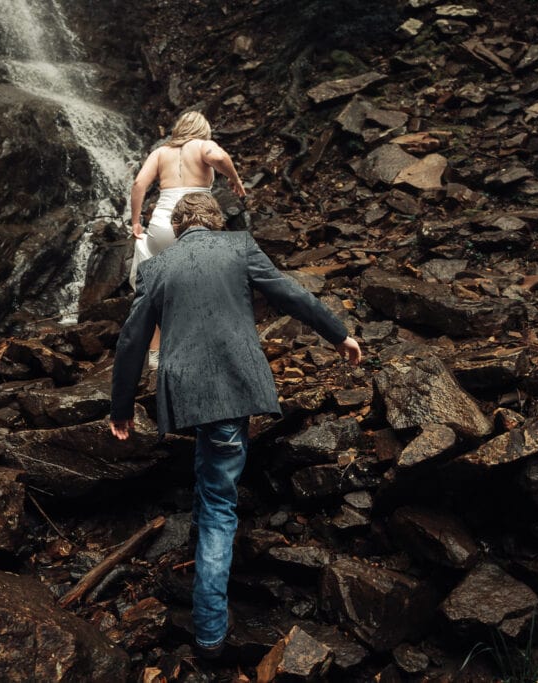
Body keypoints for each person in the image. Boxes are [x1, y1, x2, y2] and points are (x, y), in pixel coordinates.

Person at [109, 193, 361, 660]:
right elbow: (291, 294)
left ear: (180, 228)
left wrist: (121, 407)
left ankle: (203, 554)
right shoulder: (240, 246)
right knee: (223, 502)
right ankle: (209, 632)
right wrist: (338, 333)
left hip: (185, 388)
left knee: (211, 475)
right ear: (216, 223)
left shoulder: (157, 268)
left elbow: (131, 341)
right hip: (233, 380)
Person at [129, 111, 247, 367]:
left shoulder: (160, 152)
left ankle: (156, 355)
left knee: (159, 288)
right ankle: (205, 345)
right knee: (203, 281)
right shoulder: (204, 146)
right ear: (202, 129)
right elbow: (219, 157)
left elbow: (139, 183)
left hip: (163, 225)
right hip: (196, 220)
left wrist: (136, 221)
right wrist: (234, 178)